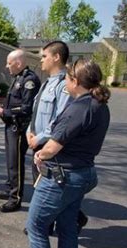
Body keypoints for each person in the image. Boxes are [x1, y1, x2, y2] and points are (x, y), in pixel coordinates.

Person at [13, 59, 110, 248]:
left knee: (36, 225)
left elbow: (53, 146)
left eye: (68, 78)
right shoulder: (99, 105)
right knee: (67, 228)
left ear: (76, 81)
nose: (65, 81)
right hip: (82, 173)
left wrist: (41, 156)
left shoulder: (79, 108)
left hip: (62, 176)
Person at [26, 41, 88, 234]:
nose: (41, 60)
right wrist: (30, 131)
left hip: (50, 145)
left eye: (44, 56)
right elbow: (37, 113)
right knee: (39, 184)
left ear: (56, 57)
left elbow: (61, 118)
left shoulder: (63, 86)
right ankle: (52, 220)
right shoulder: (46, 82)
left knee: (49, 188)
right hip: (37, 142)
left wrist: (40, 137)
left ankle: (43, 224)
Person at [0, 49, 41, 212]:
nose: (6, 66)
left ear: (18, 63)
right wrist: (2, 107)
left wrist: (3, 112)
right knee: (10, 161)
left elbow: (26, 108)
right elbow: (14, 103)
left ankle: (15, 198)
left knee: (15, 163)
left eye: (9, 63)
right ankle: (10, 188)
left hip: (19, 127)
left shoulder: (29, 80)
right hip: (11, 125)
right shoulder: (18, 77)